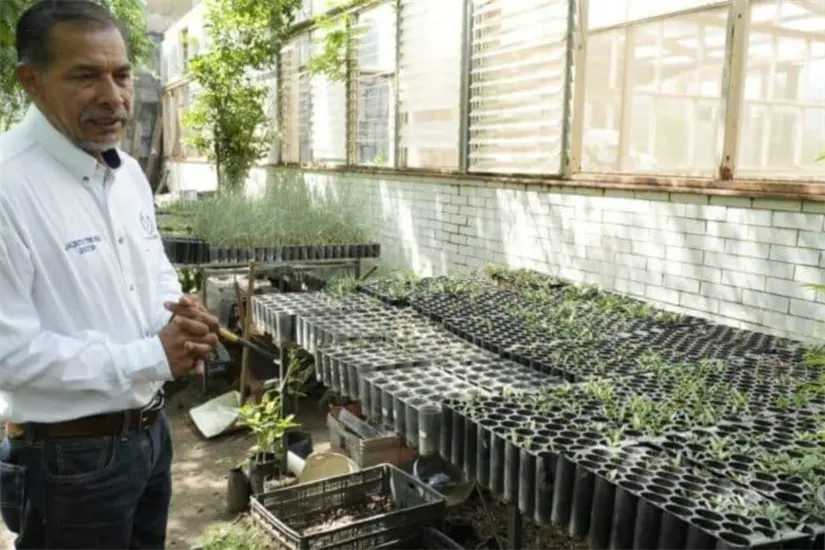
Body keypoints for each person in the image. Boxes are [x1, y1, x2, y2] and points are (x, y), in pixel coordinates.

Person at [0, 1, 221, 548]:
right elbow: (8, 354)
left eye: (121, 74)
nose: (114, 96)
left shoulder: (125, 177)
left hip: (150, 435)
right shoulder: (9, 187)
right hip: (71, 459)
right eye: (85, 76)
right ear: (31, 80)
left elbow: (155, 272)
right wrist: (151, 356)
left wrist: (183, 318)